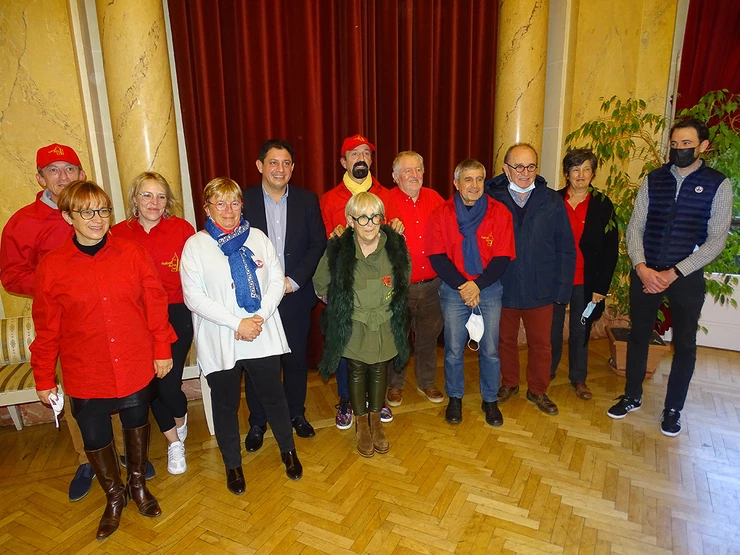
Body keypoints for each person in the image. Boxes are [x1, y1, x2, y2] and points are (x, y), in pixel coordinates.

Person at [30, 181, 175, 539]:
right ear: (68, 216)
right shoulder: (52, 266)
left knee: (137, 424)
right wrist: (44, 377)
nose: (97, 219)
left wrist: (162, 349)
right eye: (86, 212)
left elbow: (155, 303)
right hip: (86, 371)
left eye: (103, 210)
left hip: (134, 363)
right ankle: (114, 496)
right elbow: (46, 328)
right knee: (94, 437)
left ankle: (137, 485)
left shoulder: (132, 253)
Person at [0, 143, 133, 502]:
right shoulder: (23, 223)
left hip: (107, 320)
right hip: (63, 325)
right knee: (78, 395)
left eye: (69, 168)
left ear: (81, 173)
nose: (63, 176)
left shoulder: (96, 211)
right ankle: (87, 459)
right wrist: (60, 284)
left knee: (118, 385)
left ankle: (123, 451)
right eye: (53, 170)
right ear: (40, 177)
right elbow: (11, 276)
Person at [607, 118, 732, 436]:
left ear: (703, 146)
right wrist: (641, 267)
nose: (679, 150)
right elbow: (635, 226)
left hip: (685, 277)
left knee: (685, 344)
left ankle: (673, 408)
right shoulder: (654, 179)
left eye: (686, 144)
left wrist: (675, 272)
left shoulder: (718, 184)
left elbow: (716, 240)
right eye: (675, 145)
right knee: (638, 336)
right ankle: (632, 396)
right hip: (646, 271)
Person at [180, 177, 302, 495]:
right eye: (220, 203)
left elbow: (276, 279)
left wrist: (259, 316)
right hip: (221, 337)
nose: (228, 210)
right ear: (207, 208)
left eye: (234, 203)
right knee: (226, 405)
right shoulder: (195, 246)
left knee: (274, 397)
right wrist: (237, 323)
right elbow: (194, 298)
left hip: (261, 331)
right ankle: (233, 465)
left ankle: (288, 451)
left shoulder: (258, 238)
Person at [241, 139, 326, 452]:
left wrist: (294, 280)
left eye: (286, 163)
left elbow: (317, 244)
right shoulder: (243, 200)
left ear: (293, 168)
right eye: (273, 162)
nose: (280, 169)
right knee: (258, 364)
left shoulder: (307, 200)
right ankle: (257, 421)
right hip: (256, 299)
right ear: (260, 166)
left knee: (295, 361)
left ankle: (296, 414)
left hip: (294, 296)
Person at [313, 192, 411, 457]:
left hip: (384, 322)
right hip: (354, 323)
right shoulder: (339, 248)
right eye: (363, 218)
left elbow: (404, 278)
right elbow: (320, 283)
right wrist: (339, 304)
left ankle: (376, 423)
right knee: (356, 371)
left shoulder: (394, 246)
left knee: (380, 370)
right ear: (350, 221)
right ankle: (362, 425)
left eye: (375, 217)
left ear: (382, 219)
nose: (369, 224)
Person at [112, 172, 195, 474]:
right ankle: (174, 442)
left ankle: (180, 417)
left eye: (160, 196)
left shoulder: (182, 229)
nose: (153, 202)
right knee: (152, 386)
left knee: (168, 385)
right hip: (136, 317)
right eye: (146, 195)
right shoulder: (117, 234)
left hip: (176, 313)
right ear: (134, 198)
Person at [320, 134, 403, 429]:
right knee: (348, 348)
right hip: (349, 288)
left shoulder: (387, 195)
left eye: (366, 153)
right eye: (354, 154)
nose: (361, 158)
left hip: (378, 289)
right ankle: (347, 400)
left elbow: (393, 241)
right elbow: (327, 246)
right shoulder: (329, 199)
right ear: (343, 162)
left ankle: (375, 401)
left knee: (379, 346)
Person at [486, 143, 576, 416]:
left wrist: (562, 290)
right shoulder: (491, 199)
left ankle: (538, 389)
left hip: (542, 286)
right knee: (504, 341)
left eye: (531, 166)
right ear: (506, 169)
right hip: (503, 284)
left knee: (542, 343)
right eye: (519, 167)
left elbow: (566, 248)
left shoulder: (551, 200)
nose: (525, 173)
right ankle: (509, 383)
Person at [427, 159, 516, 426]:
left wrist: (478, 285)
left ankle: (489, 399)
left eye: (479, 179)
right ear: (456, 183)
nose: (474, 185)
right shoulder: (441, 213)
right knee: (453, 349)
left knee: (490, 349)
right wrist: (464, 286)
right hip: (454, 291)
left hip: (489, 290)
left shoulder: (499, 212)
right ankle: (455, 398)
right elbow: (437, 257)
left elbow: (502, 256)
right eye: (468, 179)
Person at [550, 149, 619, 400]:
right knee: (551, 329)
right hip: (555, 279)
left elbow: (611, 250)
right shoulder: (553, 200)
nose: (581, 175)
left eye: (586, 169)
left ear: (593, 173)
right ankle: (546, 372)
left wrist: (601, 287)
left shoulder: (603, 204)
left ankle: (579, 378)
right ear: (566, 173)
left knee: (581, 329)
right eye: (575, 169)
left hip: (586, 281)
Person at [387, 151, 445, 406]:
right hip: (400, 287)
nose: (414, 175)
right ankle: (395, 385)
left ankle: (427, 382)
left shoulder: (435, 198)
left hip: (432, 286)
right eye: (407, 170)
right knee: (398, 338)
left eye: (418, 170)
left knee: (428, 338)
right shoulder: (384, 201)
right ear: (395, 176)